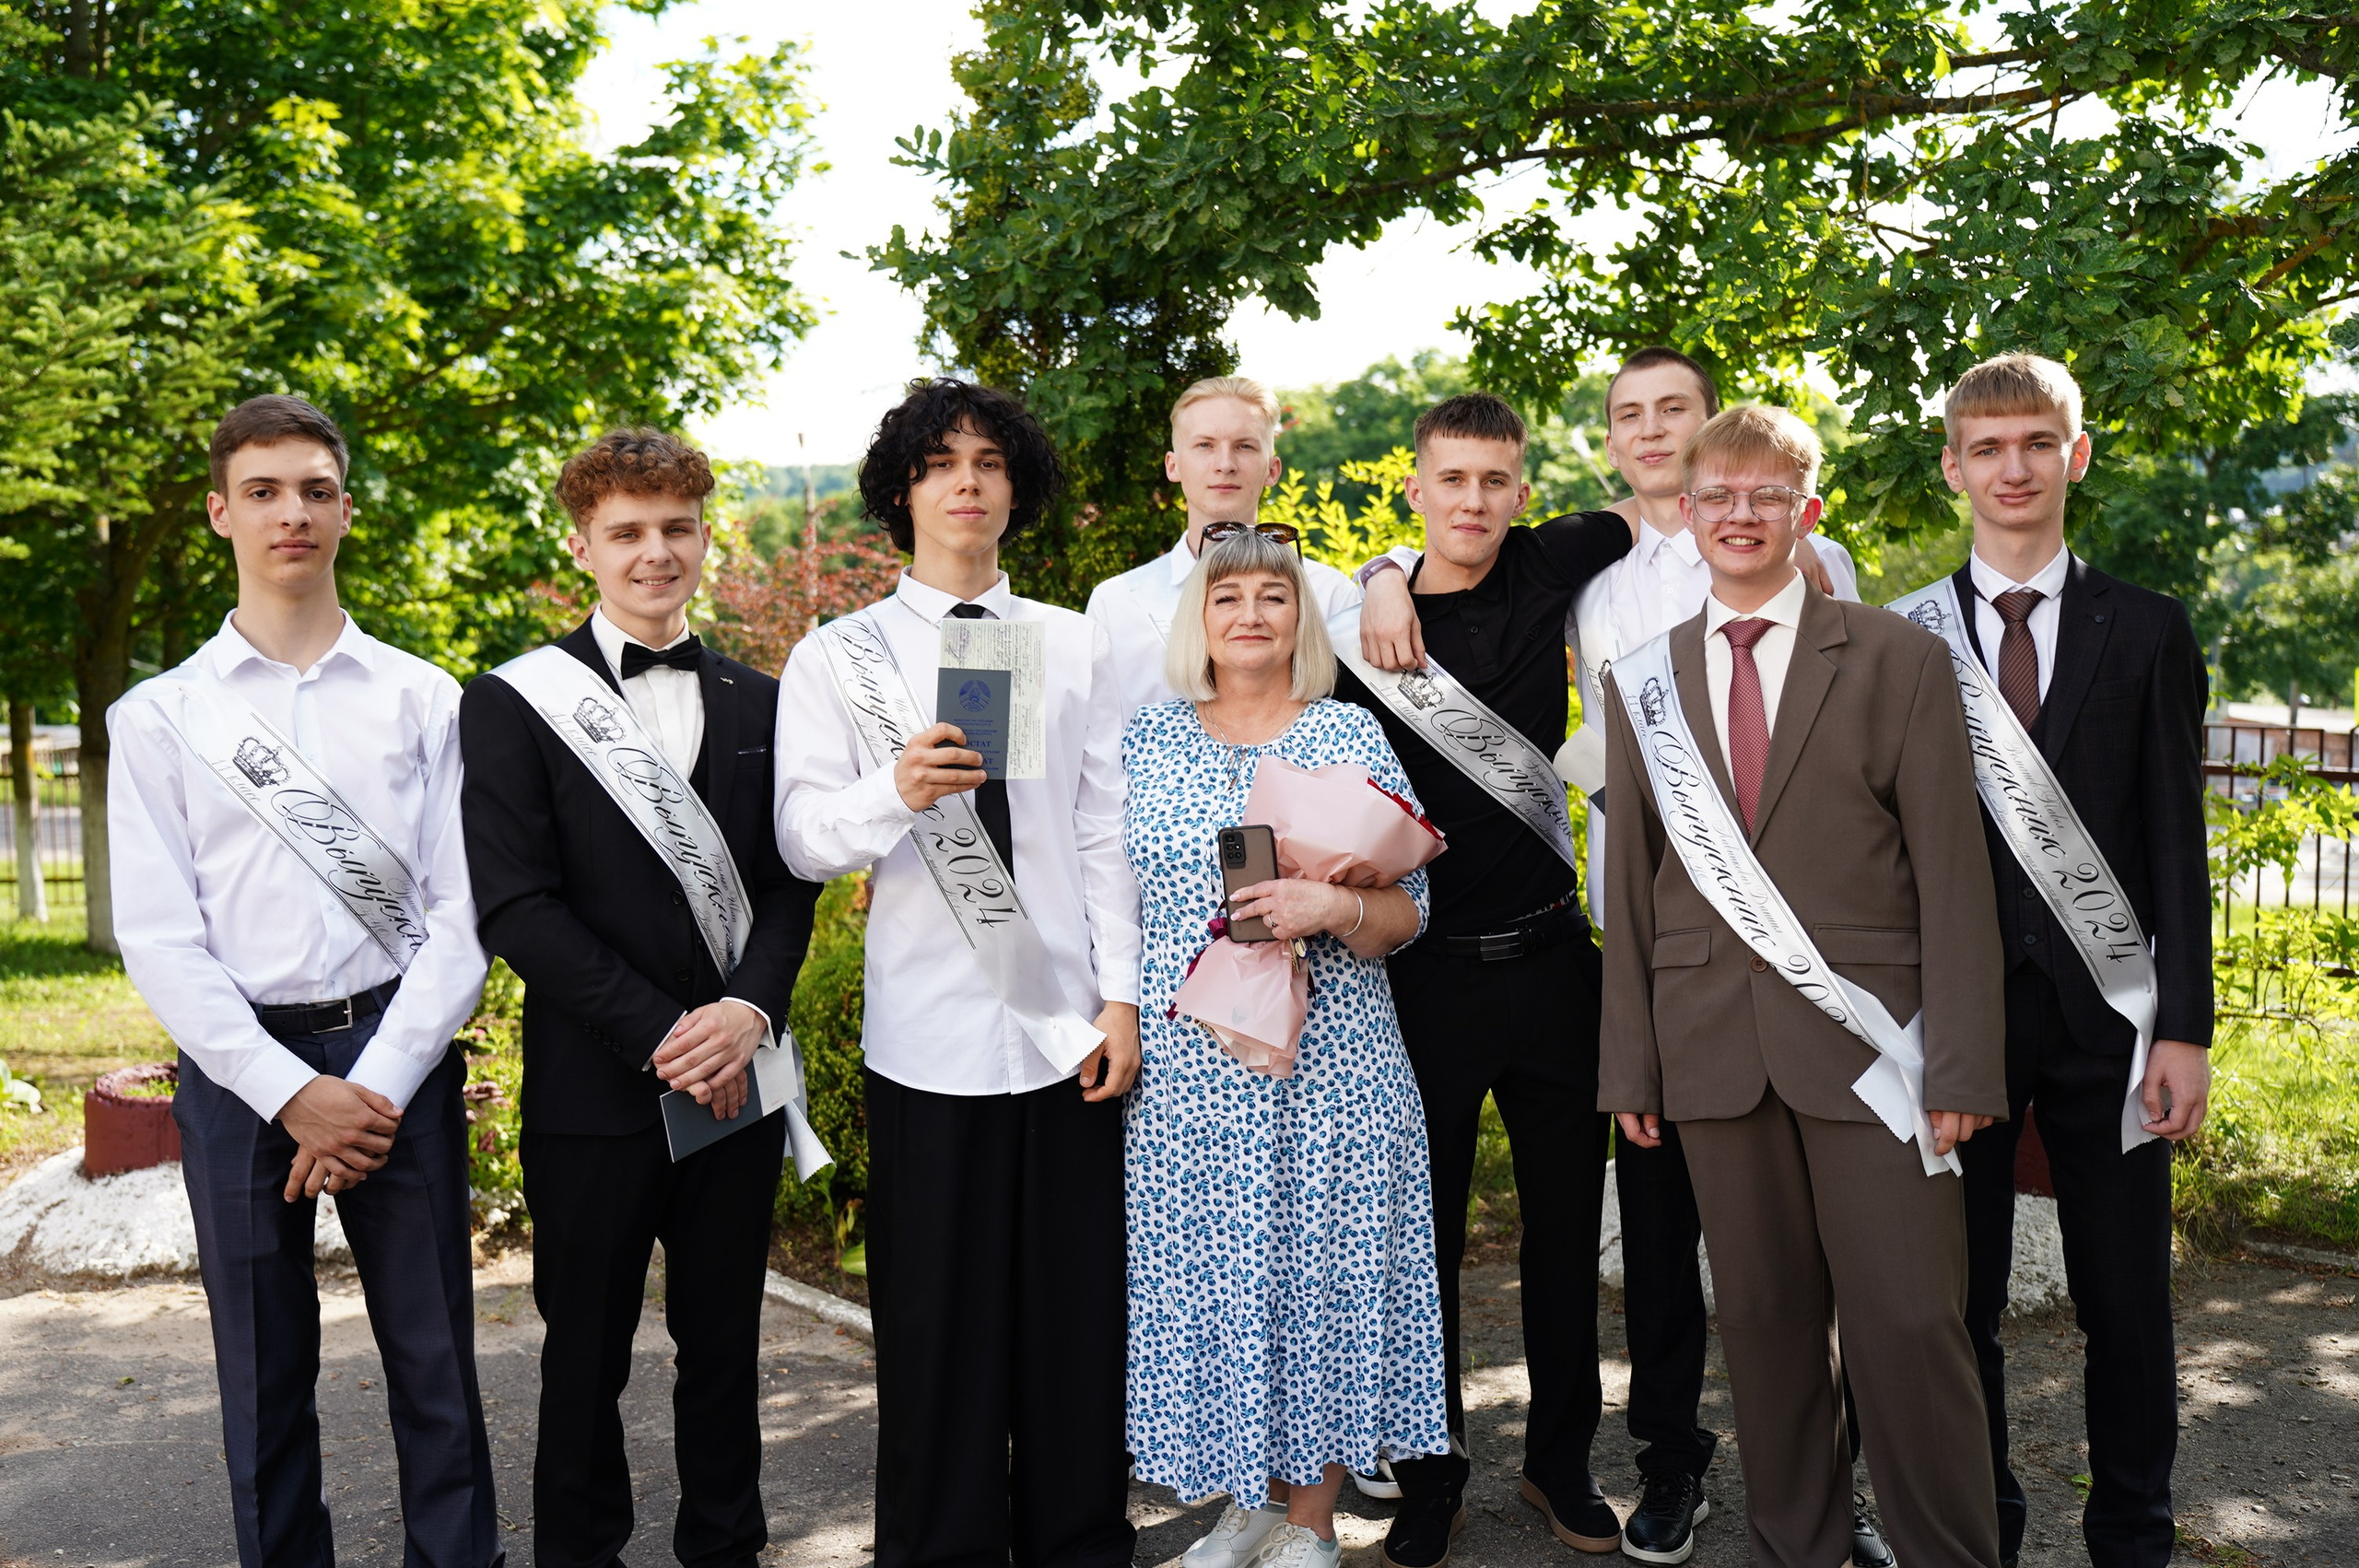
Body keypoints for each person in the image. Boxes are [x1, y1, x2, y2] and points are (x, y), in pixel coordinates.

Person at [1355, 349, 1889, 1567]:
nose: (1653, 433)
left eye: (1675, 413)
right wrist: (1384, 572)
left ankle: (1619, 1463)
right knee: (1468, 1232)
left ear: (1711, 431)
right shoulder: (1573, 575)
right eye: (1630, 415)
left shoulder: (1774, 558)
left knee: (1660, 1232)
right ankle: (1452, 1465)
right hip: (1524, 959)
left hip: (1646, 955)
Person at [1598, 404, 2008, 1568]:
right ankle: (1797, 1546)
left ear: (1803, 512)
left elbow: (1952, 875)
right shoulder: (1644, 681)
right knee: (1768, 1332)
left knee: (1907, 1328)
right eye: (1717, 497)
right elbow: (1633, 880)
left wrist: (1967, 1062)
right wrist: (1629, 1060)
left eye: (1765, 496)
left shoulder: (1897, 658)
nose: (1739, 515)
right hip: (1711, 1050)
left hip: (1876, 1057)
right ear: (1687, 515)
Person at [109, 394, 499, 1568]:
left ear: (345, 510)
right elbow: (161, 938)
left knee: (437, 1372)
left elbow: (458, 919)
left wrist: (366, 1089)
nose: (294, 513)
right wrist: (292, 1094)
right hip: (240, 1077)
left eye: (316, 489)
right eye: (266, 491)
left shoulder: (426, 699)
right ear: (222, 513)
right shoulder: (161, 717)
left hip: (398, 1058)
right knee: (265, 1381)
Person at [773, 380, 1142, 1568]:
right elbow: (799, 837)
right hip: (928, 1041)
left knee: (1073, 1324)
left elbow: (1101, 832)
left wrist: (1122, 997)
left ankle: (1079, 1545)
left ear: (1016, 489)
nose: (968, 480)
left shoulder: (1070, 642)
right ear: (903, 490)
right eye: (941, 463)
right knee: (936, 1332)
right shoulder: (839, 657)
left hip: (1068, 1035)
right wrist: (896, 790)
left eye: (990, 460)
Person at [459, 429, 823, 1568]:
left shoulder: (768, 699)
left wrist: (747, 1012)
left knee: (725, 1345)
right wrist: (668, 1030)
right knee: (585, 1359)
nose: (654, 553)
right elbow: (516, 906)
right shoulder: (515, 702)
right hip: (595, 1089)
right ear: (584, 546)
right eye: (627, 532)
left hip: (737, 1079)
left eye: (675, 528)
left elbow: (788, 883)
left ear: (705, 536)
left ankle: (725, 1548)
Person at [1321, 392, 1637, 1565]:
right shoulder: (1363, 630)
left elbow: (1639, 507)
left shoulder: (1552, 559)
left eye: (1495, 481)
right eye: (1450, 481)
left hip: (1556, 964)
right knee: (1425, 1244)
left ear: (1518, 487)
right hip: (1424, 978)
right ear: (1415, 487)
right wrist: (1380, 573)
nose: (1474, 501)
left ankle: (1559, 1464)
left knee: (1563, 1237)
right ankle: (1431, 1471)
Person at [1909, 354, 2211, 1568]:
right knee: (1959, 1304)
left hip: (2116, 1020)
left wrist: (2183, 1024)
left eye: (2037, 442)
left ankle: (2132, 1532)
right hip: (1965, 1027)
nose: (2014, 467)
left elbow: (2177, 842)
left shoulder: (2146, 628)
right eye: (1988, 448)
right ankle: (1987, 1523)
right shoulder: (1906, 639)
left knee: (2127, 1301)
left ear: (2076, 454)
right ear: (1954, 468)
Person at [1122, 528, 1449, 1568]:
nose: (1252, 614)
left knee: (1320, 1278)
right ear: (1199, 621)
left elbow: (1414, 907)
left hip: (1335, 1064)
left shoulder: (1347, 732)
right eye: (1229, 599)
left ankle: (1310, 1520)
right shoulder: (1146, 740)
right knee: (1223, 1285)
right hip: (1188, 1074)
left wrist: (1334, 899)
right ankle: (1249, 1508)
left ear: (1301, 618)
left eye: (1274, 595)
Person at [1086, 374, 1361, 721]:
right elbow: (1099, 740)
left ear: (1272, 469)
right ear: (1173, 465)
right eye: (1205, 445)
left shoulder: (1331, 595)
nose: (1225, 463)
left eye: (1245, 446)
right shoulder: (1116, 603)